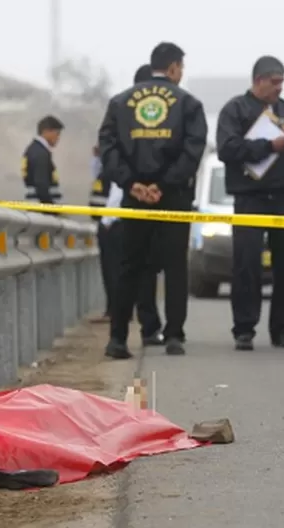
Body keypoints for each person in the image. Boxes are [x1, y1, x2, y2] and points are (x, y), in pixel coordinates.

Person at [98, 42, 208, 359]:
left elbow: (107, 147)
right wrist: (164, 184)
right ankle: (174, 336)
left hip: (134, 199)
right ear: (173, 67)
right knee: (175, 267)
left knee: (130, 266)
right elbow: (193, 150)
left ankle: (117, 339)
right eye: (181, 68)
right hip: (173, 199)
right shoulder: (188, 103)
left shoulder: (120, 103)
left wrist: (132, 184)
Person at [216, 55, 284, 351]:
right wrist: (268, 146)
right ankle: (244, 329)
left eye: (282, 82)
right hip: (250, 198)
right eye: (274, 82)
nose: (279, 88)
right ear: (258, 81)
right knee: (247, 264)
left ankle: (282, 330)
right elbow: (227, 149)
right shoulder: (236, 110)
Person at [88, 65, 165, 346]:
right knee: (140, 272)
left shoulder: (121, 114)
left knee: (133, 272)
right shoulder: (140, 121)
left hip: (124, 208)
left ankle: (122, 335)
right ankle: (140, 328)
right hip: (129, 208)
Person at [22, 115, 64, 204]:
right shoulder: (40, 153)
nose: (58, 138)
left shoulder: (34, 149)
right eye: (57, 133)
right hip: (41, 211)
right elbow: (41, 184)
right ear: (46, 132)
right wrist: (51, 208)